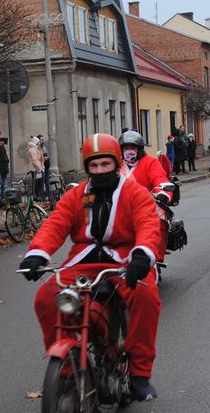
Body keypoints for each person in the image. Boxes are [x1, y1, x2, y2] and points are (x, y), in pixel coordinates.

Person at [19, 133, 162, 401]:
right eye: (93, 166)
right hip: (84, 259)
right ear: (87, 167)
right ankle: (66, 365)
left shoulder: (134, 192)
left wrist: (142, 256)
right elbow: (56, 224)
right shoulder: (76, 195)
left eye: (105, 165)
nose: (99, 170)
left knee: (145, 295)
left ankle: (140, 373)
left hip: (124, 259)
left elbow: (148, 224)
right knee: (47, 297)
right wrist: (37, 254)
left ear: (116, 163)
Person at [120, 130, 173, 263]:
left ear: (140, 149)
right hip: (119, 206)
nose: (129, 151)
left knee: (159, 217)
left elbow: (160, 178)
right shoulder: (116, 164)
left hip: (147, 204)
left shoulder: (150, 162)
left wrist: (163, 192)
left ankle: (156, 256)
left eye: (133, 148)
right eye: (126, 148)